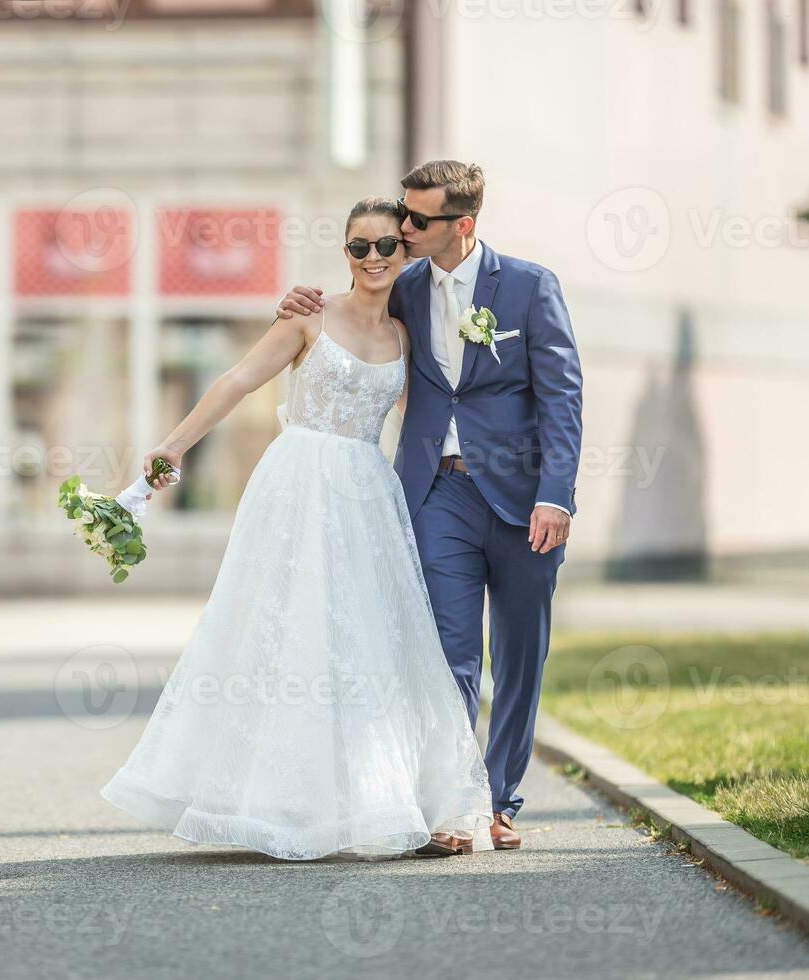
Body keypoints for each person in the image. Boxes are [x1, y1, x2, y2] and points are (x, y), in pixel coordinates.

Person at [99, 197, 492, 860]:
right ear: (345, 254)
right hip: (299, 483)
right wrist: (175, 444)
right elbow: (240, 379)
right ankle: (277, 802)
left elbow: (444, 410)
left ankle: (385, 800)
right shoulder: (309, 317)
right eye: (357, 247)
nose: (371, 258)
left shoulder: (408, 335)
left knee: (368, 636)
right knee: (286, 630)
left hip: (368, 492)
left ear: (405, 253)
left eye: (384, 247)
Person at [274, 161, 584, 851]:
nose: (403, 231)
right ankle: (453, 802)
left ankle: (501, 799)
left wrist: (556, 496)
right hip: (435, 489)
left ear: (461, 225)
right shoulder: (404, 286)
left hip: (523, 496)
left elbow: (563, 398)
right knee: (448, 649)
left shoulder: (532, 288)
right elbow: (348, 316)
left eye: (417, 221)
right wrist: (303, 303)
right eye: (402, 216)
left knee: (520, 651)